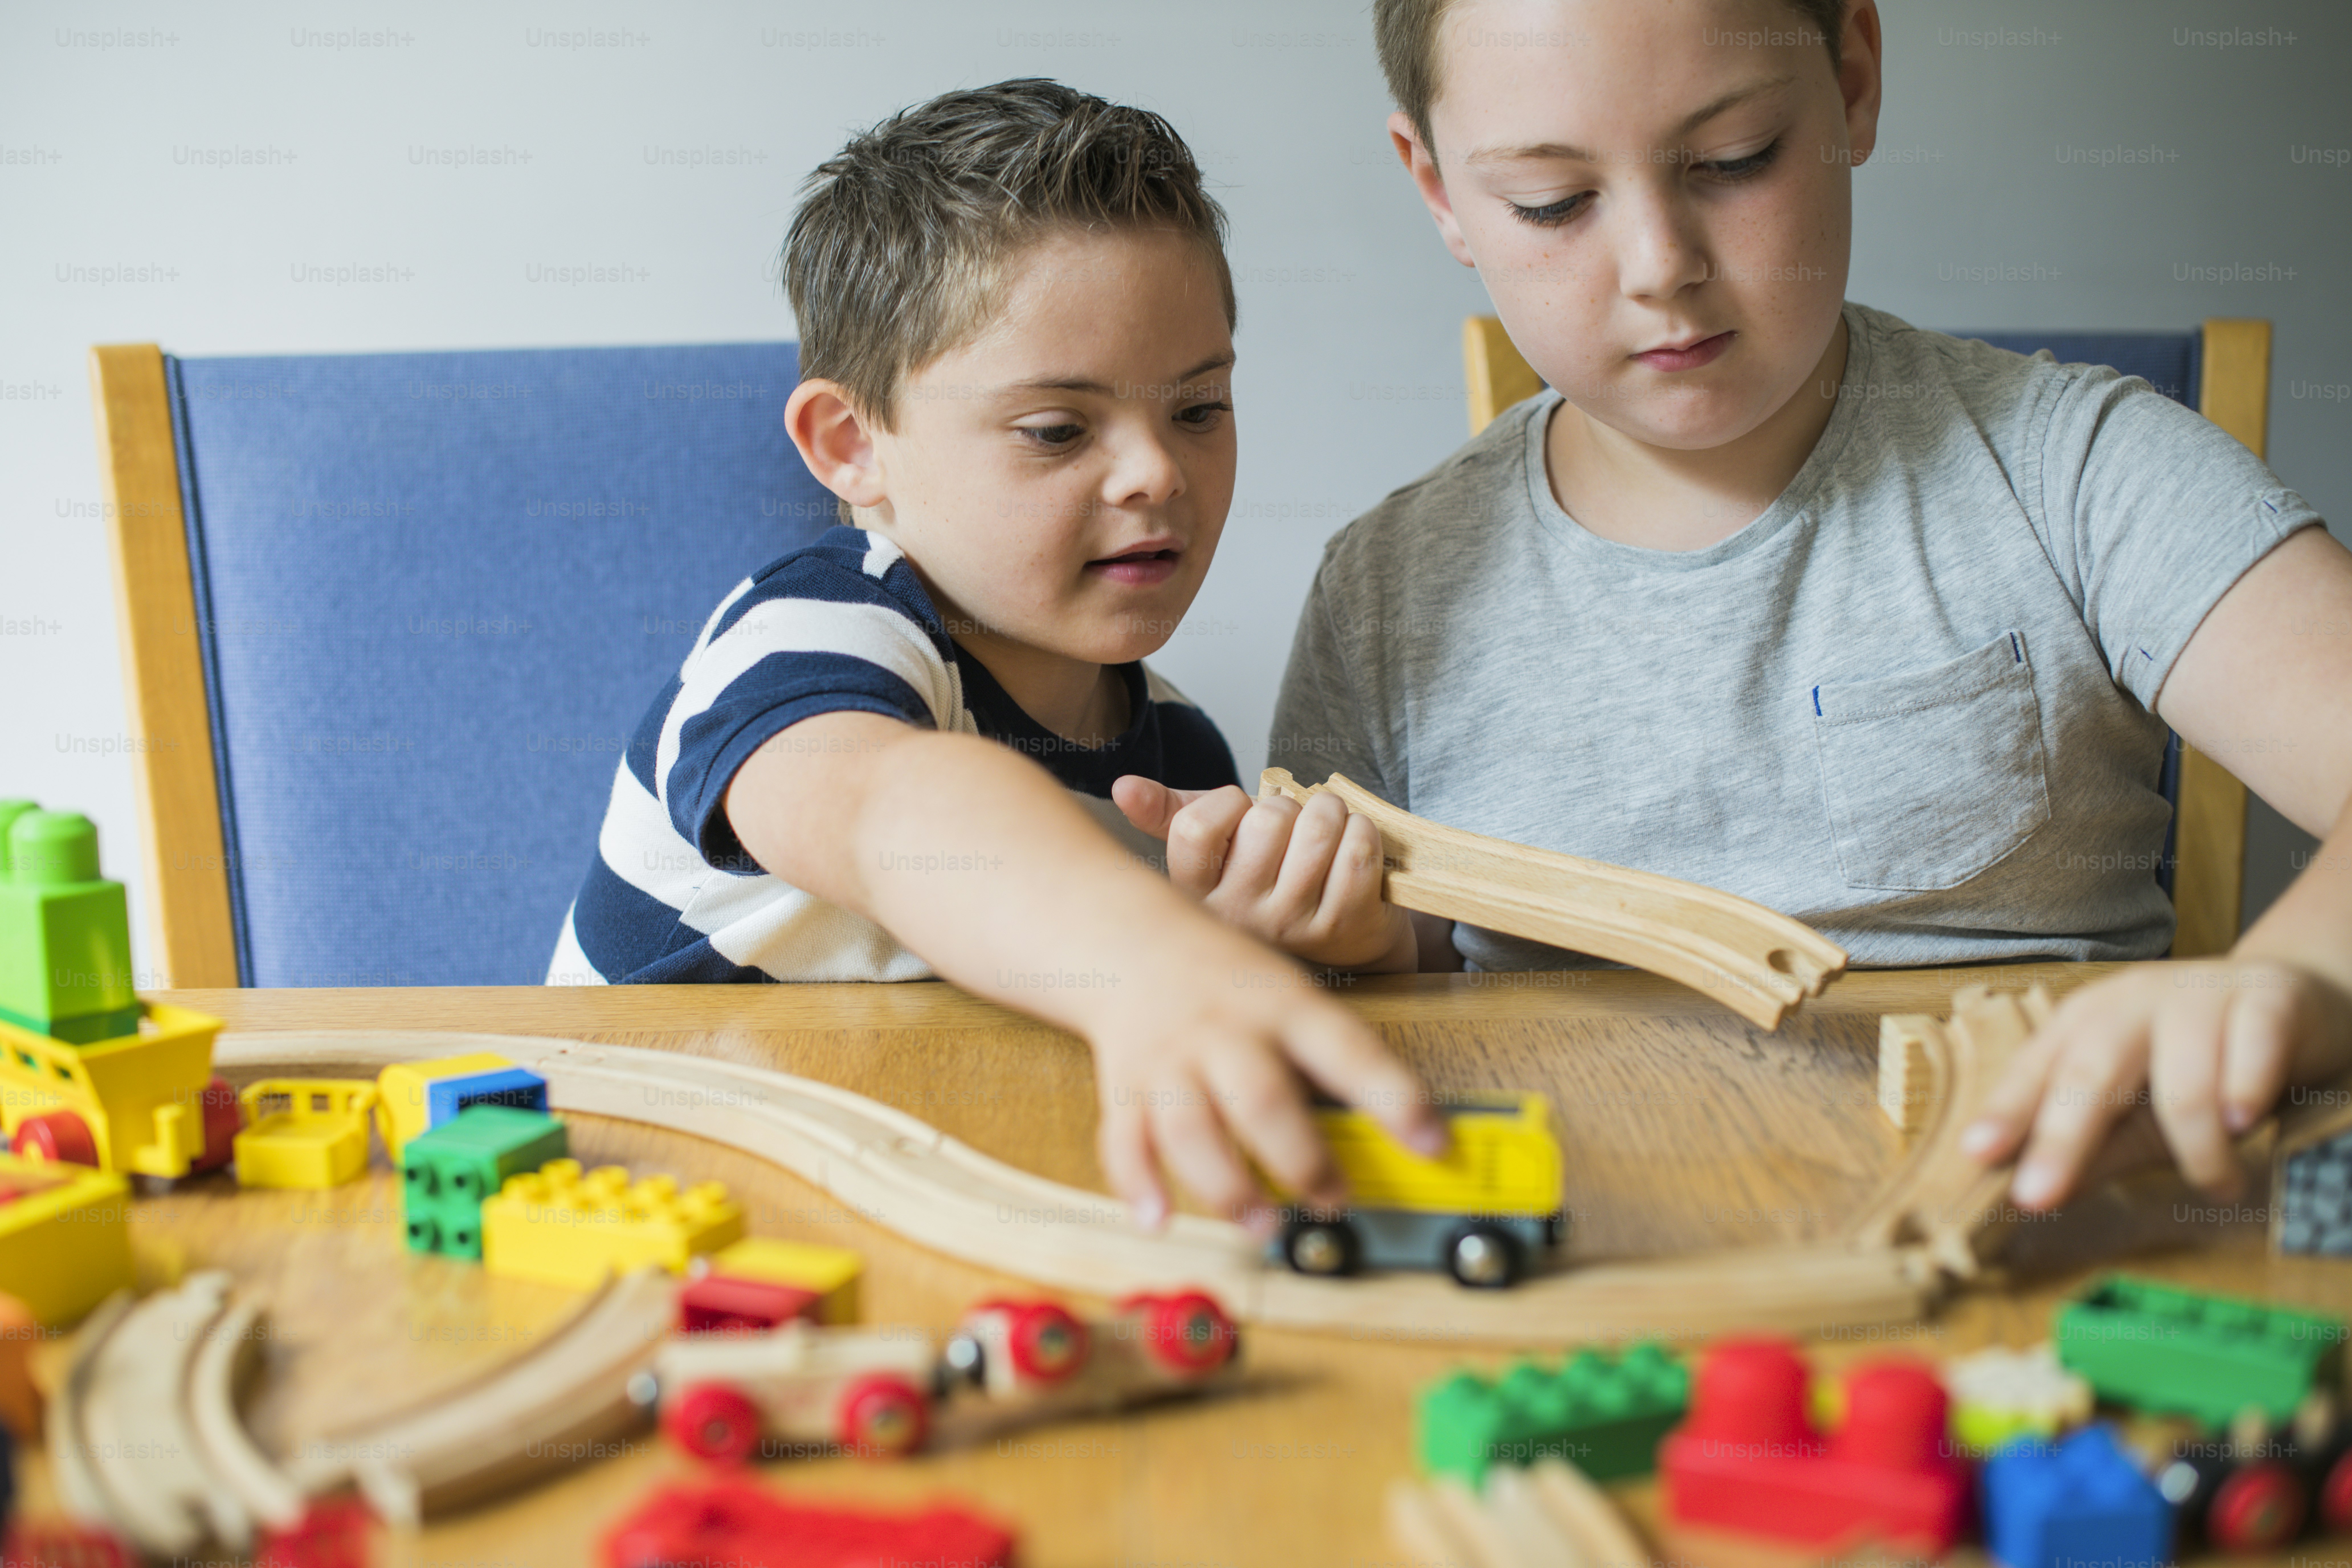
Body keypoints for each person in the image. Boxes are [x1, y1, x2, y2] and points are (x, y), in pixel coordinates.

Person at [1117, 0, 2352, 1214]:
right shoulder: (1383, 590)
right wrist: (1358, 943)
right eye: (1553, 202)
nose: (1661, 267)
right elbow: (1415, 975)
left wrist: (2296, 977)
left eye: (1732, 161)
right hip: (1593, 1249)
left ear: (1854, 78)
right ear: (1438, 187)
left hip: (2025, 1227)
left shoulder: (2078, 472)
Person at [549, 79, 1446, 1233]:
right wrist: (1145, 951)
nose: (1157, 476)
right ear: (852, 447)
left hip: (916, 1215)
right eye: (1059, 430)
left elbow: (1178, 1038)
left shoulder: (1177, 747)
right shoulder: (812, 635)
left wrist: (1348, 944)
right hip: (628, 1206)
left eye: (1199, 409)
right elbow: (888, 807)